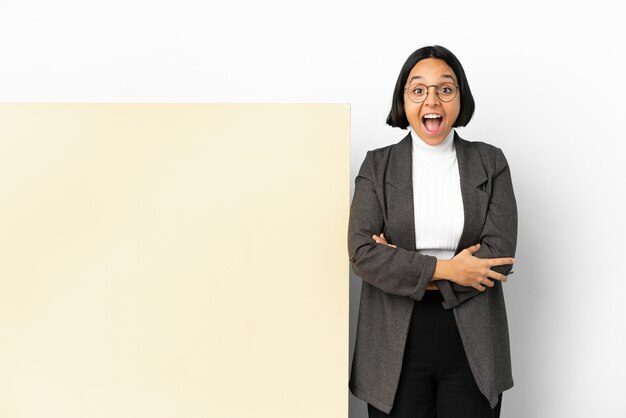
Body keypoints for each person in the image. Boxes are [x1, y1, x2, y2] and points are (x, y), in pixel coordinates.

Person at [347, 45, 517, 418]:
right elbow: (363, 253)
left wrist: (398, 263)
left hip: (473, 336)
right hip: (393, 337)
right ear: (403, 100)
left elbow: (499, 256)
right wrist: (450, 269)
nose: (432, 100)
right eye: (418, 89)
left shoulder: (490, 162)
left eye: (445, 88)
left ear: (460, 97)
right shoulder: (377, 166)